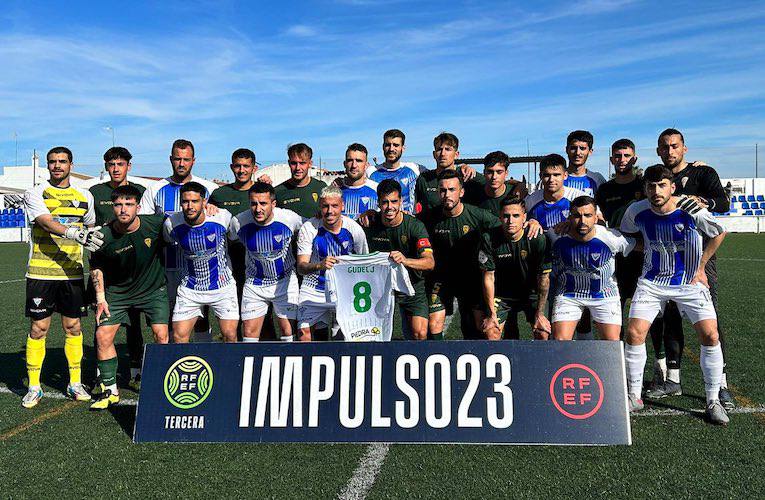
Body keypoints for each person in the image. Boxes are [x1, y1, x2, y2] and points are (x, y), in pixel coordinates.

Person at [621, 165, 728, 425]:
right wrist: (644, 249)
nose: (656, 191)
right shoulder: (636, 210)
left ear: (672, 187)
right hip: (652, 281)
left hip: (688, 281)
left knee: (710, 334)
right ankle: (634, 396)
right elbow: (626, 233)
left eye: (661, 186)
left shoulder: (691, 209)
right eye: (650, 186)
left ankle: (713, 400)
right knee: (634, 333)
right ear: (645, 188)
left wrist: (701, 266)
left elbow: (719, 232)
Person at [646, 128, 734, 408]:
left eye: (674, 146)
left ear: (684, 148)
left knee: (710, 323)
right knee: (668, 320)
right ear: (658, 150)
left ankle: (721, 386)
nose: (670, 151)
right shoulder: (657, 177)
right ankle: (673, 379)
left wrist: (704, 200)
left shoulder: (702, 174)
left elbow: (723, 202)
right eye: (664, 147)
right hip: (665, 262)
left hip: (699, 260)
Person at [21, 146, 103, 408]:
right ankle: (34, 386)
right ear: (47, 165)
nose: (57, 166)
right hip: (40, 273)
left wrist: (92, 241)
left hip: (72, 274)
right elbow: (45, 221)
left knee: (73, 328)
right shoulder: (36, 192)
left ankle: (74, 382)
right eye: (53, 162)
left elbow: (91, 229)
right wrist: (73, 233)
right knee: (39, 328)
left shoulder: (85, 196)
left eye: (62, 161)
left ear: (71, 164)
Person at [88, 185, 169, 410]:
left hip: (153, 290)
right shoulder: (102, 236)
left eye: (129, 204)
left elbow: (182, 219)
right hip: (117, 293)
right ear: (113, 207)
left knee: (161, 335)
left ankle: (160, 383)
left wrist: (210, 207)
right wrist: (101, 298)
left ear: (138, 207)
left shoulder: (155, 223)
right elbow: (96, 268)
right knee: (103, 335)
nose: (124, 209)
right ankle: (109, 390)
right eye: (118, 204)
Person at [140, 139, 220, 341]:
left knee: (202, 315)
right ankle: (170, 358)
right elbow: (145, 226)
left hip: (201, 265)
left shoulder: (209, 188)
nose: (181, 164)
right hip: (166, 264)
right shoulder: (155, 189)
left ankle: (204, 355)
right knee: (168, 316)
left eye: (186, 159)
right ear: (171, 159)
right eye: (177, 159)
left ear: (193, 161)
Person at [89, 146, 147, 389]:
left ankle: (136, 370)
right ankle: (102, 375)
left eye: (120, 164)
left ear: (128, 167)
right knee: (101, 319)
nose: (115, 169)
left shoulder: (142, 191)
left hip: (132, 267)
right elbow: (90, 226)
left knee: (134, 322)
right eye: (111, 164)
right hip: (104, 267)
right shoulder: (94, 192)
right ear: (106, 167)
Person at [420, 170, 499, 340]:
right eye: (442, 190)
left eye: (452, 190)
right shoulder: (429, 217)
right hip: (440, 277)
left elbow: (504, 229)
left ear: (461, 192)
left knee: (479, 326)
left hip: (471, 279)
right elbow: (408, 224)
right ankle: (436, 360)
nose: (447, 194)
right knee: (433, 323)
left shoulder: (478, 215)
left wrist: (530, 222)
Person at [209, 148, 276, 341]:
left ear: (254, 167)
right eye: (237, 166)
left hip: (262, 265)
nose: (241, 170)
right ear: (231, 167)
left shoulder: (262, 192)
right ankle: (238, 359)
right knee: (236, 315)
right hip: (232, 264)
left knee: (265, 317)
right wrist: (209, 207)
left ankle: (268, 355)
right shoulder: (220, 194)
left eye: (246, 166)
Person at [548, 196, 635, 341]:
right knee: (560, 341)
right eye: (577, 216)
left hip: (604, 294)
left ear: (596, 217)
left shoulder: (611, 237)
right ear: (569, 218)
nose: (582, 221)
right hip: (569, 294)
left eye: (588, 215)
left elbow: (640, 245)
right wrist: (532, 223)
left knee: (612, 343)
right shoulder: (556, 235)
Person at [162, 183, 239, 343]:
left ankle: (228, 367)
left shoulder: (222, 217)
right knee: (179, 336)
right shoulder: (172, 224)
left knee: (230, 335)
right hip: (190, 288)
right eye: (185, 201)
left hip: (222, 287)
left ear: (204, 202)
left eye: (195, 201)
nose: (190, 206)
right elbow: (168, 240)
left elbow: (233, 237)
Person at [229, 182, 303, 342]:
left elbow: (308, 229)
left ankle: (287, 364)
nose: (258, 209)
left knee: (288, 331)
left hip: (284, 281)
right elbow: (230, 238)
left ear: (273, 204)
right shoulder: (238, 222)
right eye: (253, 204)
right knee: (249, 333)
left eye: (263, 203)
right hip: (255, 283)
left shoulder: (289, 218)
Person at [363, 179, 435, 340]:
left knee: (420, 333)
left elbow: (429, 262)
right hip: (381, 287)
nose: (390, 207)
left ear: (401, 201)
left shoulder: (414, 226)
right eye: (385, 202)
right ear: (378, 202)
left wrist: (405, 260)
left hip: (411, 284)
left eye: (394, 201)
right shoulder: (369, 222)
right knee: (373, 333)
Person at [296, 186, 368, 341]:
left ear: (342, 205)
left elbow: (363, 263)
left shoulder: (354, 229)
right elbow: (301, 267)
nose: (329, 211)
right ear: (320, 207)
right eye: (325, 206)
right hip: (313, 288)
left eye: (334, 206)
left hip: (343, 290)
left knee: (341, 338)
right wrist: (319, 266)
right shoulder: (309, 228)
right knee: (304, 336)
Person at [477, 197, 551, 340]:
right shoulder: (489, 238)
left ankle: (538, 362)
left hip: (531, 293)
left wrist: (540, 314)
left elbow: (544, 279)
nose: (510, 220)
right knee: (491, 332)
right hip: (502, 295)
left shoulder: (537, 238)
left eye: (516, 216)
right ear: (500, 217)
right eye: (506, 216)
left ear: (524, 217)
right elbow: (488, 277)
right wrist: (492, 314)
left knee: (542, 331)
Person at [595, 139, 645, 339]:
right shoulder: (605, 190)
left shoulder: (646, 185)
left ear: (635, 158)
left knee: (649, 312)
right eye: (617, 156)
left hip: (643, 255)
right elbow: (598, 219)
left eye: (626, 155)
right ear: (611, 159)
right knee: (615, 310)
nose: (622, 160)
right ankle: (618, 358)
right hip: (616, 257)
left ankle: (661, 362)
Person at [414, 132, 483, 213]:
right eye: (439, 149)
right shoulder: (424, 179)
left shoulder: (467, 174)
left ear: (456, 154)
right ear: (434, 154)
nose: (443, 154)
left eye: (448, 149)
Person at [525, 154, 589, 230]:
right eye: (547, 175)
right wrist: (530, 222)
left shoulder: (579, 197)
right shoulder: (531, 200)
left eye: (556, 175)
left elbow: (598, 220)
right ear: (540, 176)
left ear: (565, 175)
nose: (551, 179)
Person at [368, 129, 422, 213]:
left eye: (396, 145)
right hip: (381, 223)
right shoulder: (370, 172)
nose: (391, 149)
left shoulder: (414, 169)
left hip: (407, 223)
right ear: (383, 147)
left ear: (403, 148)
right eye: (388, 145)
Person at [274, 143, 327, 220]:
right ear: (289, 163)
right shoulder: (278, 192)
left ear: (310, 164)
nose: (298, 168)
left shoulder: (321, 187)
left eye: (302, 163)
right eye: (294, 163)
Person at [337, 143, 379, 219]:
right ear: (344, 164)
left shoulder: (377, 189)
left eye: (359, 161)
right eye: (350, 160)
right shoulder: (335, 190)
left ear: (366, 165)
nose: (354, 165)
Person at [563, 130, 606, 196]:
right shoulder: (554, 177)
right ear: (567, 150)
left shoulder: (597, 179)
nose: (577, 153)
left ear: (590, 151)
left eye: (582, 148)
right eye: (573, 148)